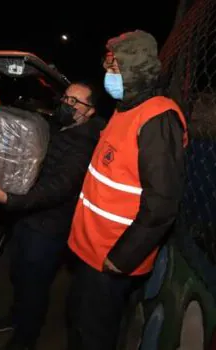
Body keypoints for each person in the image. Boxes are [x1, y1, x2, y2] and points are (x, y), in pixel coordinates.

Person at [66, 30, 189, 350]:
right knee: (78, 323)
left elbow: (162, 204)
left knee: (96, 335)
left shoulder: (158, 118)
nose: (109, 76)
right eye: (108, 69)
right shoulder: (124, 110)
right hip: (87, 250)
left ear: (138, 69)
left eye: (116, 70)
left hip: (111, 259)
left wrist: (122, 259)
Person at [0, 82, 106, 350]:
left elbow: (58, 187)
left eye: (75, 102)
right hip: (27, 218)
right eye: (66, 98)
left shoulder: (84, 145)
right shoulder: (58, 128)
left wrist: (10, 199)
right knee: (18, 274)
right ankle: (16, 316)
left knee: (34, 285)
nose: (66, 104)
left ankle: (26, 338)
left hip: (49, 228)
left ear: (90, 111)